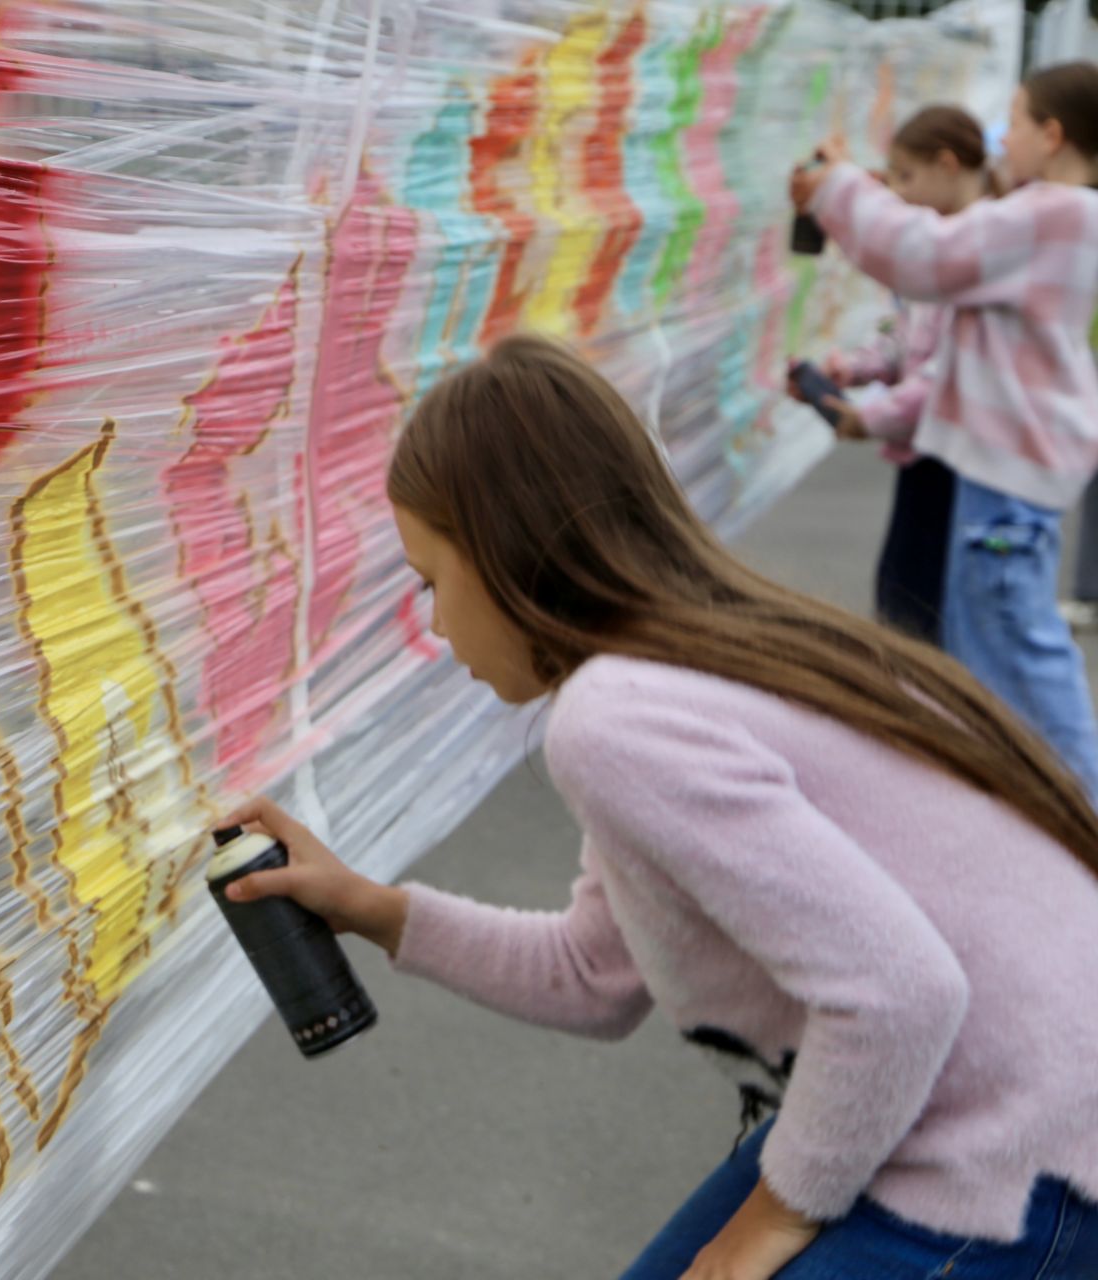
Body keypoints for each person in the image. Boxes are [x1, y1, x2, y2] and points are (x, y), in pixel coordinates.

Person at [220, 336, 1098, 1279]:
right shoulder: (696, 661)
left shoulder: (614, 720)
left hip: (1010, 1153)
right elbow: (594, 975)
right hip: (1006, 1101)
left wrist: (769, 1224)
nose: (435, 625)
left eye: (433, 579)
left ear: (506, 550)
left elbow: (901, 994)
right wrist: (368, 907)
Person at [792, 64, 1098, 796]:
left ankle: (1085, 819)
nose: (1005, 138)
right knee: (987, 661)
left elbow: (920, 255)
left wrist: (838, 186)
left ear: (1051, 136)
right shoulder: (1055, 214)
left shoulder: (1054, 212)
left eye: (1016, 122)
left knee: (1019, 661)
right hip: (1007, 475)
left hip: (1005, 479)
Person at [791, 105, 992, 644]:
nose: (898, 194)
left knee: (920, 607)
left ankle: (928, 714)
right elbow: (909, 338)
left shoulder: (975, 257)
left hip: (954, 461)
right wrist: (852, 369)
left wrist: (867, 419)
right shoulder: (942, 256)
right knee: (904, 592)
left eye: (906, 177)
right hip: (925, 453)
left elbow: (945, 379)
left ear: (947, 166)